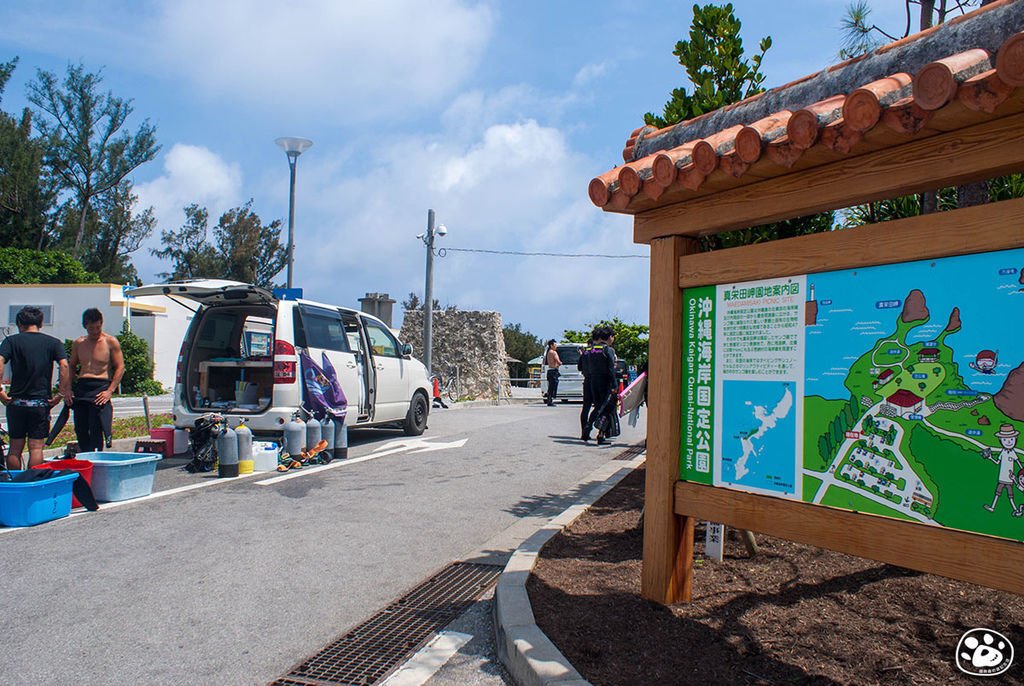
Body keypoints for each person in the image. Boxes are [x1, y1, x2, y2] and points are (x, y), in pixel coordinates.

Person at [0, 306, 71, 468]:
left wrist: (0, 391)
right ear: (40, 323)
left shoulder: (11, 341)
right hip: (40, 403)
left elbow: (0, 361)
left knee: (15, 448)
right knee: (36, 447)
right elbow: (65, 366)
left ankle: (15, 483)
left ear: (19, 323)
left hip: (16, 402)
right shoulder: (53, 343)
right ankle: (33, 481)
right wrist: (60, 393)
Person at [69, 308, 124, 453]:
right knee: (80, 427)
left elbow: (120, 367)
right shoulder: (79, 343)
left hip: (100, 386)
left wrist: (110, 390)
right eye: (91, 327)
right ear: (85, 326)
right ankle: (84, 457)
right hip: (82, 386)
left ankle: (97, 456)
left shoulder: (110, 342)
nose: (95, 331)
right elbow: (72, 366)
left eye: (98, 327)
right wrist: (67, 389)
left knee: (96, 427)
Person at [982, 423, 1023, 516]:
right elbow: (997, 462)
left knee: (1010, 496)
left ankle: (1016, 509)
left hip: (1010, 479)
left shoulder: (1012, 452)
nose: (1008, 442)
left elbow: (1018, 462)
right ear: (1001, 440)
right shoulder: (1003, 452)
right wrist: (990, 458)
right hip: (1002, 477)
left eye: (1011, 439)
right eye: (1005, 440)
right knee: (997, 493)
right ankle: (992, 507)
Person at [544, 339, 561, 406]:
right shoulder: (554, 352)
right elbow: (558, 361)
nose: (556, 346)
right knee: (553, 386)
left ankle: (549, 400)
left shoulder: (548, 353)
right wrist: (559, 363)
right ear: (551, 345)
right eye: (555, 345)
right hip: (554, 370)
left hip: (549, 370)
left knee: (550, 386)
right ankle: (550, 400)